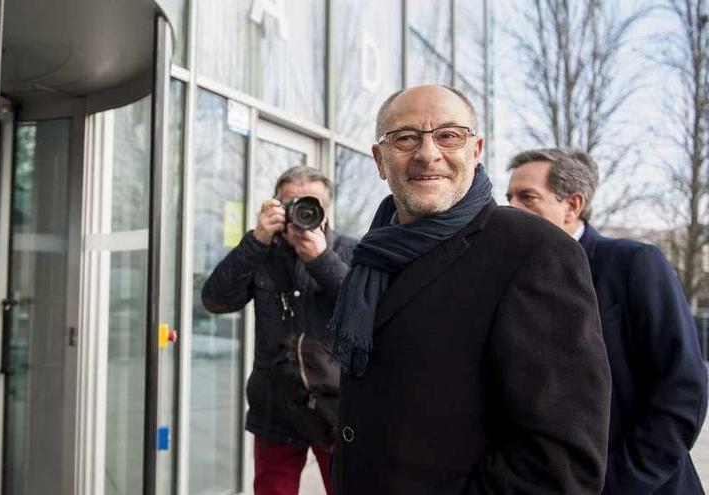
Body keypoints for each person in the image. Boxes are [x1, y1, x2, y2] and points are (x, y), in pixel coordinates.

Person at [329, 85, 612, 494]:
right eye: (406, 137)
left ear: (475, 150)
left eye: (449, 135)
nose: (428, 153)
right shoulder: (374, 252)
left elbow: (559, 462)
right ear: (379, 159)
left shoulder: (534, 251)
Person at [507, 148, 708, 494]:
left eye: (527, 197)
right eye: (508, 197)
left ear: (572, 205)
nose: (510, 208)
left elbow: (682, 391)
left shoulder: (634, 264)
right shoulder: (510, 279)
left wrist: (616, 484)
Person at [201, 166, 356, 495]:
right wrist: (255, 240)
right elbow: (215, 300)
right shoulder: (263, 252)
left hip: (336, 407)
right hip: (275, 406)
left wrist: (320, 259)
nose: (301, 212)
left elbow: (365, 313)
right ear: (277, 207)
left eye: (310, 203)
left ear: (326, 210)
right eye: (291, 204)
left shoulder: (349, 251)